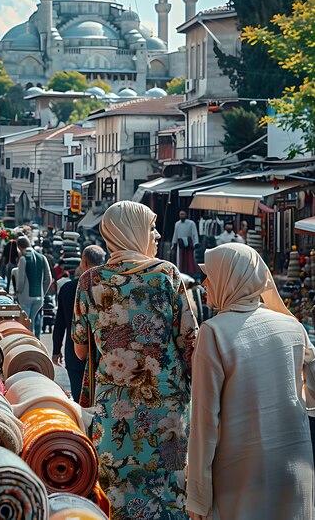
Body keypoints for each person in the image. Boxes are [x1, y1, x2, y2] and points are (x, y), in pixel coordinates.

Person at [72, 201, 197, 520]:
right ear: (134, 230)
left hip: (114, 413)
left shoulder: (89, 281)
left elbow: (81, 351)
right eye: (151, 227)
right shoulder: (166, 273)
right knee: (169, 485)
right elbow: (189, 342)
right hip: (169, 414)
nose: (156, 234)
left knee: (116, 490)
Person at [186, 243, 315, 520]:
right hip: (294, 471)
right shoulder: (293, 326)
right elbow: (311, 399)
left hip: (240, 476)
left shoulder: (214, 332)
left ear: (229, 277)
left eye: (211, 274)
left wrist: (197, 495)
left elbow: (204, 421)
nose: (205, 283)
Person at [52, 245, 106, 403]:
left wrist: (56, 350)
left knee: (80, 399)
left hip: (75, 353)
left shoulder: (68, 288)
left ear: (84, 261)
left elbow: (60, 322)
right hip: (101, 353)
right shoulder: (109, 287)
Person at [16, 236, 52, 339]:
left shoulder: (23, 258)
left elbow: (21, 278)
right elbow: (49, 278)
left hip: (25, 296)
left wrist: (19, 292)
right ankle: (37, 340)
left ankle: (28, 342)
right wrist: (43, 292)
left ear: (19, 247)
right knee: (35, 319)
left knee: (26, 323)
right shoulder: (42, 257)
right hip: (39, 296)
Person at [171, 210, 199, 275]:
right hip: (180, 243)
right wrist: (174, 243)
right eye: (181, 214)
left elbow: (194, 233)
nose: (182, 216)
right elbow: (175, 234)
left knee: (189, 257)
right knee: (180, 258)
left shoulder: (191, 223)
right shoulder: (177, 224)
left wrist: (196, 242)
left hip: (189, 243)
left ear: (186, 215)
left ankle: (191, 272)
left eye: (183, 214)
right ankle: (181, 271)